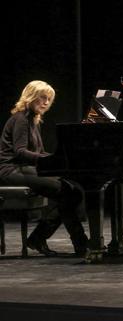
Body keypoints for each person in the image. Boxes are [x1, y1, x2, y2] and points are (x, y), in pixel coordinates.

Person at [0, 80, 89, 257]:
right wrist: (51, 159)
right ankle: (79, 242)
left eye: (49, 99)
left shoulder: (34, 120)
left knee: (74, 191)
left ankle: (40, 238)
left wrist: (59, 159)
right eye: (42, 98)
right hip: (11, 170)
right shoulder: (21, 119)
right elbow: (20, 152)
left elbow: (38, 152)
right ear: (30, 97)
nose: (46, 102)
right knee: (66, 191)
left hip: (25, 168)